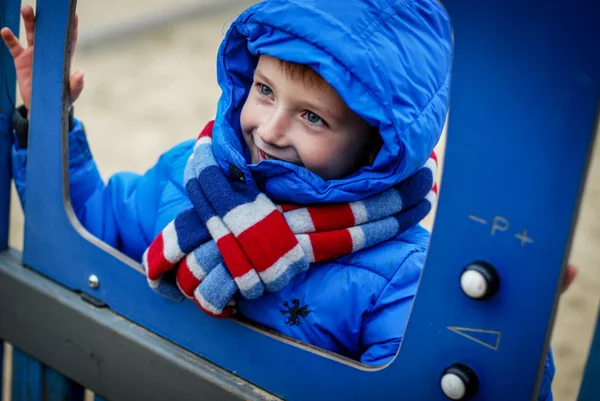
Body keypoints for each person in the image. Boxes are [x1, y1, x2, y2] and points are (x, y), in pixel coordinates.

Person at [3, 2, 571, 399]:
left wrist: (510, 336)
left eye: (312, 117)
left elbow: (434, 384)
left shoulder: (401, 273)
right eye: (265, 90)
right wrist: (47, 123)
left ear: (379, 147)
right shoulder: (190, 173)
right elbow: (94, 223)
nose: (270, 131)